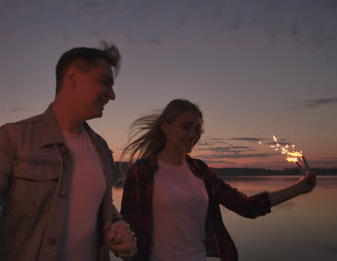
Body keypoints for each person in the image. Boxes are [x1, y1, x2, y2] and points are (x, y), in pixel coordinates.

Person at [0, 42, 137, 261]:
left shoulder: (101, 148)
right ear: (72, 78)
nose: (112, 95)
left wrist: (118, 230)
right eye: (105, 83)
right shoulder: (11, 139)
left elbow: (100, 205)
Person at [120, 99, 316, 261]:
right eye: (186, 127)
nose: (193, 135)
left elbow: (246, 206)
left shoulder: (201, 171)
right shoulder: (142, 172)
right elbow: (128, 232)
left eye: (197, 129)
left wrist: (300, 188)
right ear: (166, 127)